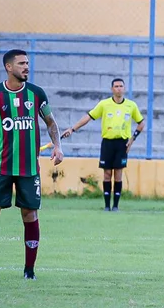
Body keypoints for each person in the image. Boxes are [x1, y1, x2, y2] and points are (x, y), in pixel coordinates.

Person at [0, 49, 64, 280]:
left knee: (30, 215)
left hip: (29, 169)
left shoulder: (37, 94)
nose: (26, 67)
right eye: (21, 63)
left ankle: (29, 272)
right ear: (9, 67)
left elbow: (51, 122)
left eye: (27, 63)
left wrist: (57, 146)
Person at [61, 78, 145, 212]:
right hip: (107, 142)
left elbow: (141, 123)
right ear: (112, 89)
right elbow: (88, 117)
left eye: (121, 86)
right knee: (107, 173)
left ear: (124, 88)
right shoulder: (104, 104)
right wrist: (72, 129)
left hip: (122, 143)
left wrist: (132, 139)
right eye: (116, 86)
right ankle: (106, 205)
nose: (118, 88)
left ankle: (116, 206)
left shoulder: (131, 106)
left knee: (118, 173)